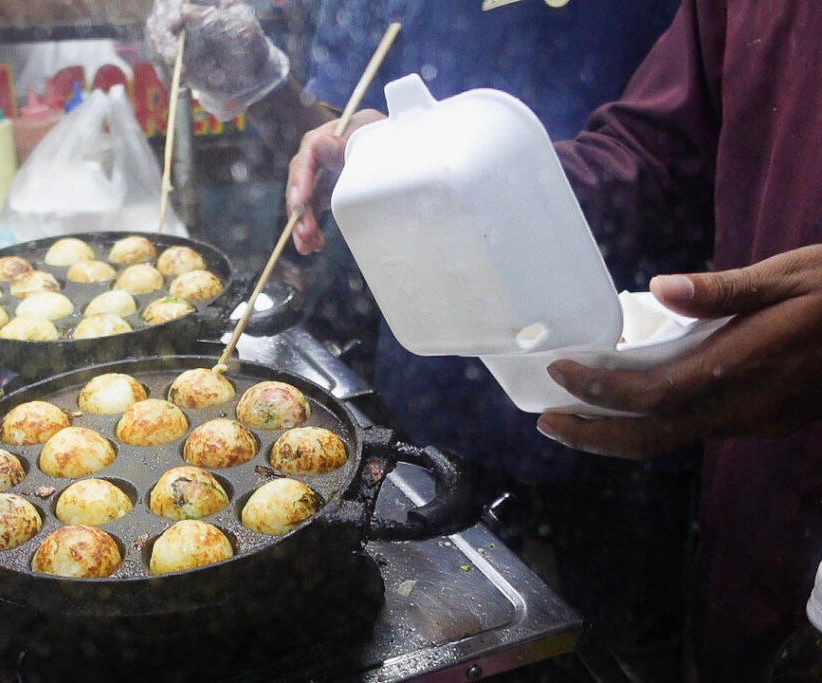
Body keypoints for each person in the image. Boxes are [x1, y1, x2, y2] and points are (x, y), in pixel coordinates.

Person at [148, 2, 697, 680]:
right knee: (441, 629)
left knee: (619, 647)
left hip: (614, 373)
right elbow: (337, 126)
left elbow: (678, 145)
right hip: (439, 379)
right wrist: (263, 87)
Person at [286, 1, 822, 681]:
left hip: (688, 413)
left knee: (625, 634)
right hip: (750, 475)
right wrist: (433, 167)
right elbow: (653, 152)